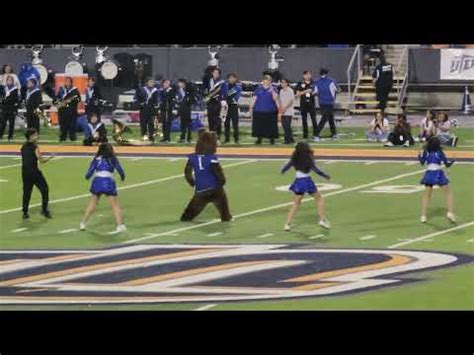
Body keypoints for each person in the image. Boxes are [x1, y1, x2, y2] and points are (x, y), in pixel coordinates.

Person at [180, 130, 232, 222]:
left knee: (186, 218)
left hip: (201, 192)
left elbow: (187, 173)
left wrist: (192, 183)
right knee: (226, 216)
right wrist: (221, 183)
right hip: (216, 190)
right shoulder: (212, 158)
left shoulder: (193, 158)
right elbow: (219, 174)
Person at [281, 142, 331, 231]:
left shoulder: (295, 158)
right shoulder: (308, 158)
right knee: (319, 199)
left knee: (296, 203)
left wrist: (283, 170)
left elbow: (287, 166)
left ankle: (287, 224)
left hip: (298, 182)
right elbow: (316, 170)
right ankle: (322, 219)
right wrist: (325, 175)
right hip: (307, 182)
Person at [80, 143, 126, 233]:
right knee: (115, 206)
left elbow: (90, 171)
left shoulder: (96, 159)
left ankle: (83, 223)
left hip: (97, 182)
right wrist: (123, 177)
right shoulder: (112, 159)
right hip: (108, 183)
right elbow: (120, 170)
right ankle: (119, 225)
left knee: (92, 204)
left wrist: (87, 177)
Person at [418, 137, 456, 223]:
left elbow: (422, 162)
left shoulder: (426, 152)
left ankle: (423, 216)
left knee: (427, 194)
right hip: (438, 173)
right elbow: (447, 164)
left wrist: (419, 155)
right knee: (448, 192)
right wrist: (453, 160)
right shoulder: (440, 152)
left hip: (428, 173)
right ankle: (450, 212)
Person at [21, 128, 53, 219]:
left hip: (25, 172)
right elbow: (41, 161)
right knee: (45, 189)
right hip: (34, 172)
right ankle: (44, 210)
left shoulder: (23, 147)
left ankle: (25, 212)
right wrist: (50, 157)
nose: (37, 136)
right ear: (31, 136)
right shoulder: (35, 147)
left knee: (27, 192)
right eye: (35, 135)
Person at [250, 74, 280, 145]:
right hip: (259, 110)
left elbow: (276, 99)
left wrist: (279, 110)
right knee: (259, 126)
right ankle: (259, 139)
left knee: (271, 126)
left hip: (270, 111)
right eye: (265, 79)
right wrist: (251, 107)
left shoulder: (274, 89)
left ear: (271, 81)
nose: (267, 81)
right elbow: (254, 99)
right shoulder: (258, 89)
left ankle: (272, 139)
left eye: (269, 80)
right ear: (263, 80)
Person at [313, 68, 341, 141]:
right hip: (329, 102)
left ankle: (334, 133)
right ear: (327, 73)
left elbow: (314, 92)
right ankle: (316, 134)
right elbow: (338, 90)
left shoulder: (317, 81)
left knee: (330, 118)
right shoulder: (332, 81)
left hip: (321, 102)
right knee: (324, 119)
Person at [134, 77, 159, 142]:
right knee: (143, 123)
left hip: (152, 108)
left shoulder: (155, 90)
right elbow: (137, 98)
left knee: (151, 123)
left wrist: (156, 106)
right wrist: (139, 104)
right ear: (147, 82)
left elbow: (157, 100)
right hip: (144, 108)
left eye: (153, 82)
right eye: (150, 82)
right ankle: (144, 135)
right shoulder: (141, 89)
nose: (151, 83)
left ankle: (151, 136)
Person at [56, 77, 81, 142]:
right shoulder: (61, 89)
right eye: (66, 81)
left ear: (71, 82)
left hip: (71, 111)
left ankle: (72, 138)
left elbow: (78, 99)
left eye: (69, 81)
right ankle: (62, 138)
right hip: (62, 112)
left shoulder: (75, 90)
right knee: (63, 126)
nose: (67, 83)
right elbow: (56, 99)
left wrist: (69, 101)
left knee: (72, 126)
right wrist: (60, 103)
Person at [220, 73, 242, 144]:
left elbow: (234, 96)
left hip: (233, 106)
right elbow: (222, 94)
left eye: (233, 78)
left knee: (235, 123)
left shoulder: (238, 87)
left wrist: (226, 98)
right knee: (226, 123)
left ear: (235, 79)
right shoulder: (224, 86)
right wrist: (224, 100)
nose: (231, 79)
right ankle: (227, 138)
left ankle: (236, 139)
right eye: (230, 78)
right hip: (226, 106)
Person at [203, 67, 224, 140]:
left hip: (217, 102)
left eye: (217, 73)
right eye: (214, 73)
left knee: (217, 120)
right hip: (210, 102)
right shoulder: (209, 81)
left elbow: (223, 92)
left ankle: (217, 136)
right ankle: (211, 136)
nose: (216, 74)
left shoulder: (221, 83)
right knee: (210, 119)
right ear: (212, 73)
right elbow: (205, 90)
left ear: (219, 74)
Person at [295, 70, 317, 139]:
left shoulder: (314, 83)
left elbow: (317, 92)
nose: (308, 76)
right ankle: (305, 134)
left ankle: (316, 134)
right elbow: (297, 94)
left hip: (311, 103)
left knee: (314, 119)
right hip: (303, 103)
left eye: (309, 74)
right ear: (303, 75)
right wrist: (305, 91)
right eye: (306, 75)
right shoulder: (300, 83)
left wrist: (313, 92)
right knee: (304, 120)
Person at [176, 78, 196, 143]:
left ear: (183, 83)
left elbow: (192, 99)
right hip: (180, 108)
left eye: (180, 83)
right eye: (178, 83)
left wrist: (188, 100)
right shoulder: (178, 90)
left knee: (188, 123)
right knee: (182, 124)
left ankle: (189, 137)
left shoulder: (188, 90)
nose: (179, 84)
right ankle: (182, 137)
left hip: (187, 108)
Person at [0, 75, 20, 141]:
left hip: (11, 108)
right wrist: (2, 100)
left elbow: (15, 99)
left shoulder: (15, 89)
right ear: (6, 81)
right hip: (4, 108)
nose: (9, 81)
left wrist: (5, 100)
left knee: (11, 123)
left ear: (12, 81)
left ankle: (10, 137)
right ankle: (0, 136)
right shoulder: (4, 88)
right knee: (3, 123)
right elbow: (2, 97)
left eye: (10, 80)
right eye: (8, 80)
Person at [278, 78, 295, 144]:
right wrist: (281, 109)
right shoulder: (281, 91)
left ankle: (287, 140)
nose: (283, 84)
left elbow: (291, 101)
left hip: (289, 111)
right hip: (282, 110)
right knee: (284, 126)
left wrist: (285, 108)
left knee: (287, 125)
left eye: (284, 82)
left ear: (287, 83)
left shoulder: (290, 91)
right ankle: (291, 138)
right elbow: (280, 100)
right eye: (281, 82)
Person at [158, 78, 175, 143]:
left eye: (168, 83)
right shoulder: (161, 91)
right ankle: (164, 137)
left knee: (168, 123)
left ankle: (167, 138)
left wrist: (173, 108)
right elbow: (160, 100)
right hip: (163, 109)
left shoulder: (171, 91)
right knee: (164, 123)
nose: (166, 84)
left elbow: (172, 100)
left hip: (168, 109)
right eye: (165, 83)